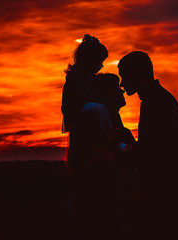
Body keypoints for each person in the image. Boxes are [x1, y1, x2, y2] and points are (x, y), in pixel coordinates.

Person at [118, 51, 178, 239]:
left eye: (123, 75)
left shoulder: (156, 102)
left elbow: (155, 153)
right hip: (170, 190)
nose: (121, 82)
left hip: (165, 193)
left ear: (136, 72)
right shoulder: (158, 99)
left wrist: (123, 149)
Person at [67, 73, 135, 240]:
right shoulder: (91, 121)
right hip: (96, 204)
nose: (121, 91)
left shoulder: (114, 122)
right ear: (104, 93)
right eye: (115, 88)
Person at [61, 34, 108, 132]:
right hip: (84, 128)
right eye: (100, 61)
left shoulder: (84, 79)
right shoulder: (76, 81)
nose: (101, 65)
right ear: (90, 59)